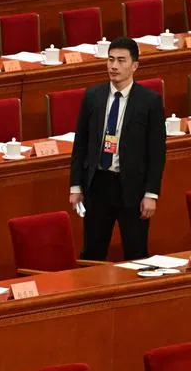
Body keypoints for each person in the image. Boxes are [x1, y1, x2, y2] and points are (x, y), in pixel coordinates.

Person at [68, 37, 166, 260]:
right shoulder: (93, 96)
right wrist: (76, 185)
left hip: (132, 188)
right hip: (98, 184)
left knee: (136, 252)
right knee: (92, 252)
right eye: (111, 60)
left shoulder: (149, 101)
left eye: (121, 60)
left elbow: (157, 153)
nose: (114, 66)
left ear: (135, 65)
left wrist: (151, 193)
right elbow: (80, 144)